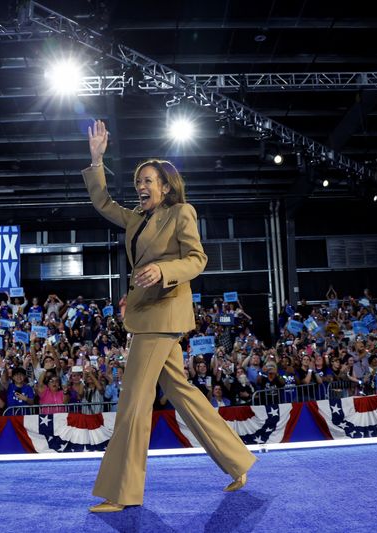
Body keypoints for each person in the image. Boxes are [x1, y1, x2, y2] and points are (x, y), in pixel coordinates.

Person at [84, 120, 255, 513]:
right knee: (183, 393)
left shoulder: (181, 212)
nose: (140, 185)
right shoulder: (135, 219)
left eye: (148, 179)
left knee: (132, 402)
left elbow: (197, 259)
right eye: (137, 179)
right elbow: (102, 203)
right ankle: (238, 462)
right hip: (146, 316)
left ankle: (122, 491)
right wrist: (96, 160)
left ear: (165, 185)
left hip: (164, 316)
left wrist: (164, 270)